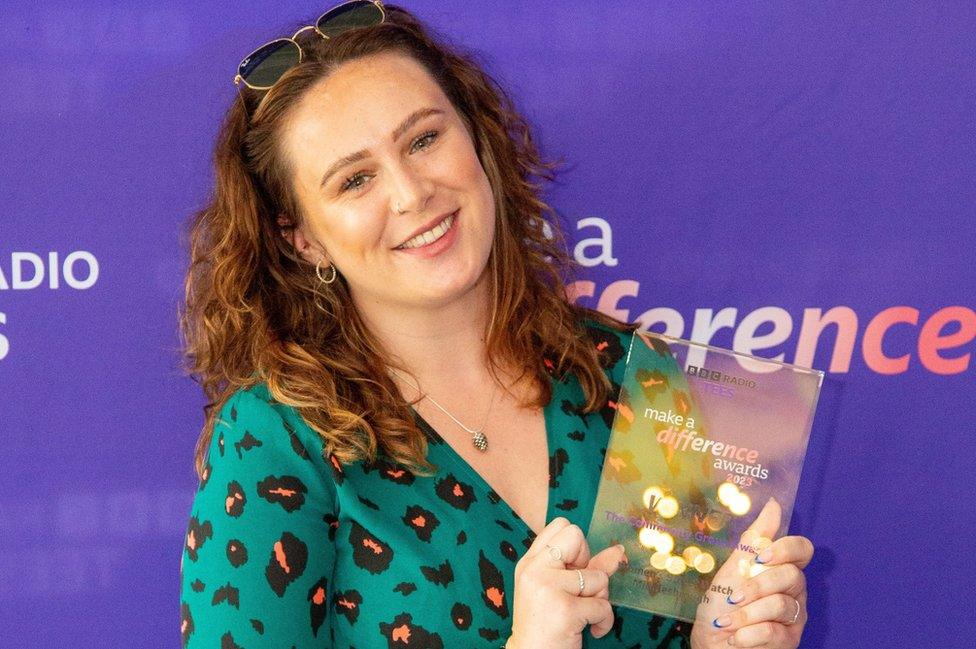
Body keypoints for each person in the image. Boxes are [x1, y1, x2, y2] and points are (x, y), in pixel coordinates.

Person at [178, 3, 814, 647]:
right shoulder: (276, 438)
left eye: (424, 139)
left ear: (478, 141)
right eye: (355, 180)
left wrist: (720, 642)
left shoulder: (625, 375)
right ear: (304, 240)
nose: (410, 192)